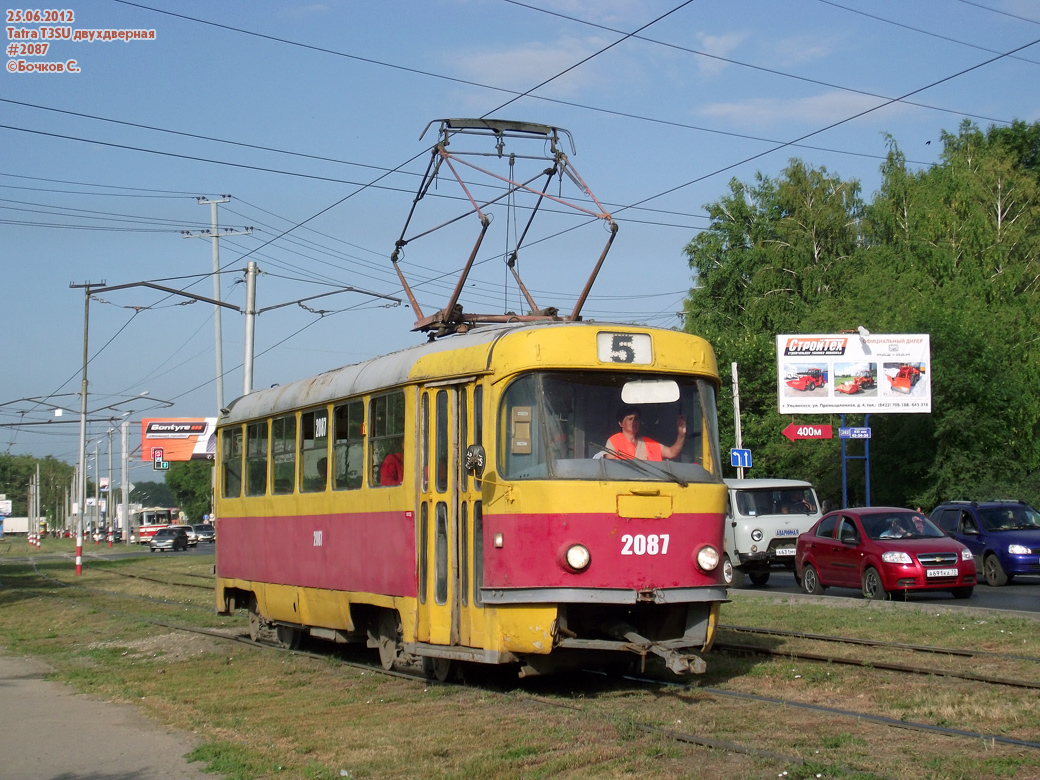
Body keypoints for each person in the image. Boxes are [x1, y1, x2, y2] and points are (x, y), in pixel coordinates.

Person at [605, 404, 686, 462]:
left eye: (636, 419)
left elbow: (672, 452)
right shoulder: (613, 441)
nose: (633, 422)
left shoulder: (648, 442)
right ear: (621, 423)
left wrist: (681, 434)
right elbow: (610, 467)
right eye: (630, 419)